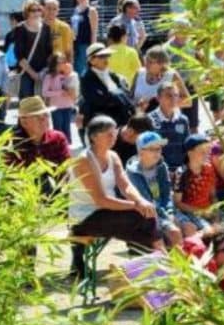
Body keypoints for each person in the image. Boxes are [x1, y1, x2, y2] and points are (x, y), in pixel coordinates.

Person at [68, 116, 163, 277]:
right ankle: (157, 260)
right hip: (85, 217)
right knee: (144, 219)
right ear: (94, 137)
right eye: (108, 135)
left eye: (114, 133)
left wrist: (140, 201)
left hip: (107, 213)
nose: (114, 138)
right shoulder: (83, 160)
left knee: (147, 215)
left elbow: (125, 185)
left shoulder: (113, 156)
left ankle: (151, 263)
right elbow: (101, 200)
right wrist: (136, 206)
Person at [126, 131, 196, 248]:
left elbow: (167, 193)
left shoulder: (161, 166)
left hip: (164, 210)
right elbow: (146, 200)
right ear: (141, 151)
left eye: (159, 149)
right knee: (175, 233)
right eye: (152, 149)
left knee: (190, 227)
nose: (157, 153)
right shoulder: (133, 172)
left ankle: (191, 261)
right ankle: (178, 264)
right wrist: (167, 216)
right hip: (147, 213)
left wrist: (170, 212)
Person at [6, 97, 71, 198]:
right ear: (24, 122)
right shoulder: (11, 144)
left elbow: (65, 169)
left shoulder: (58, 138)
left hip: (55, 194)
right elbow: (11, 178)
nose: (44, 119)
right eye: (37, 117)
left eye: (46, 115)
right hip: (24, 199)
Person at [79, 43, 136, 132]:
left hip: (121, 120)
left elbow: (126, 94)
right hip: (101, 122)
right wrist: (118, 95)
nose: (106, 59)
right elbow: (99, 99)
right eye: (101, 56)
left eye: (107, 55)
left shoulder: (113, 75)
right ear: (92, 60)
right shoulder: (87, 78)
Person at [12, 0, 54, 99]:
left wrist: (45, 70)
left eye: (38, 10)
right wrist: (33, 74)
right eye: (33, 10)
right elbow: (19, 54)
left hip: (43, 71)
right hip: (26, 71)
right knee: (27, 102)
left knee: (42, 105)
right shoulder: (20, 29)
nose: (36, 13)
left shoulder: (46, 28)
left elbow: (49, 52)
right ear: (27, 12)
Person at [132, 45, 190, 114]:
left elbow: (188, 102)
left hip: (166, 121)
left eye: (150, 62)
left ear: (161, 64)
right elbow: (130, 97)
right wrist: (138, 105)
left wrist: (160, 104)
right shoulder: (139, 73)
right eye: (146, 59)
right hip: (142, 120)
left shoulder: (171, 76)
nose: (146, 63)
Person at [150, 83, 193, 171]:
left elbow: (187, 145)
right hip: (158, 170)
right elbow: (148, 147)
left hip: (180, 170)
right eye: (168, 95)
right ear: (158, 98)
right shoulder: (150, 120)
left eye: (176, 95)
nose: (173, 99)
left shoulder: (183, 120)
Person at [41, 52, 80, 141]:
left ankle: (67, 147)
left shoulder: (67, 74)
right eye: (59, 62)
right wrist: (59, 92)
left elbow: (74, 86)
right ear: (54, 64)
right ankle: (57, 145)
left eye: (63, 62)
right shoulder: (49, 76)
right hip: (56, 107)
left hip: (68, 105)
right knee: (58, 127)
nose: (62, 64)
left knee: (67, 127)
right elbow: (44, 92)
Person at [70, 0, 100, 77]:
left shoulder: (91, 10)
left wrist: (93, 48)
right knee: (75, 68)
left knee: (82, 68)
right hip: (75, 43)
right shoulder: (75, 10)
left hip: (85, 44)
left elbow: (94, 31)